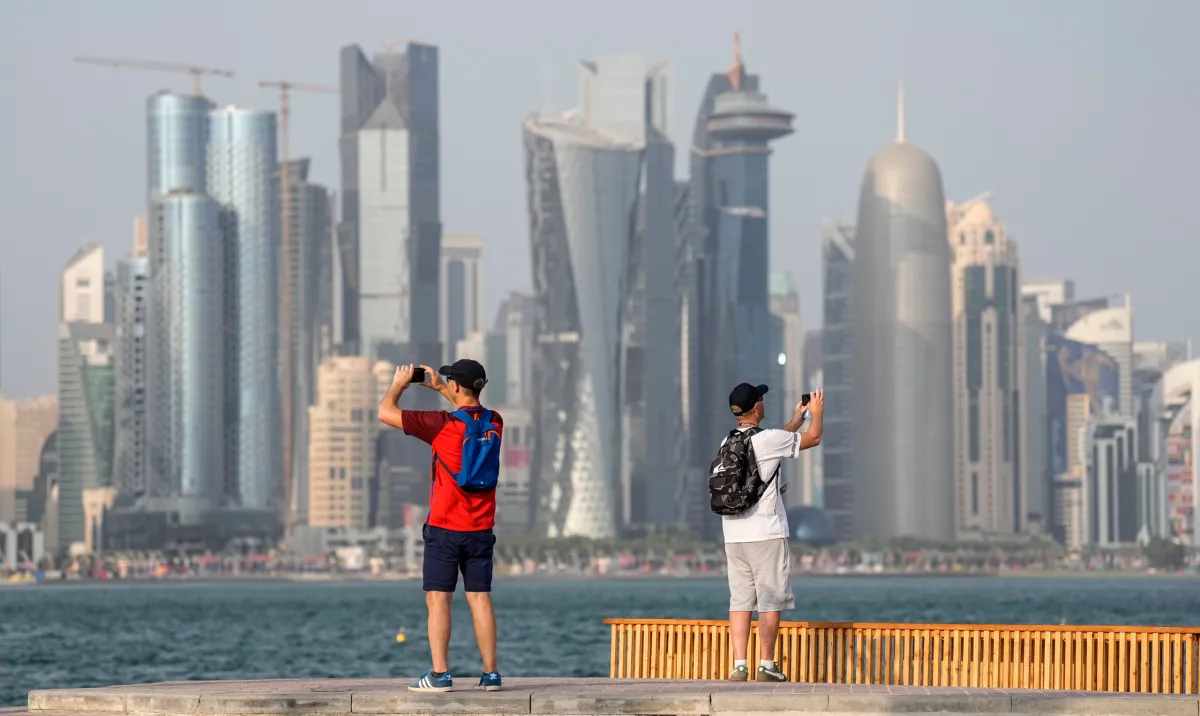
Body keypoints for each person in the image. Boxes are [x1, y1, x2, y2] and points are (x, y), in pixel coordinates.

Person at [377, 359, 504, 693]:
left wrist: (400, 383)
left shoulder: (439, 424)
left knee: (438, 600)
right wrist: (440, 387)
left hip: (446, 528)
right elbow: (470, 412)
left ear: (457, 386)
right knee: (480, 599)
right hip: (481, 529)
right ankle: (491, 674)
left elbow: (385, 412)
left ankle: (440, 674)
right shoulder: (496, 422)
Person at [720, 383, 824, 682]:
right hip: (765, 533)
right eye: (762, 399)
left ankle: (739, 665)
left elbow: (770, 444)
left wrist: (796, 419)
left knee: (740, 601)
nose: (764, 402)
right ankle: (767, 665)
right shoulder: (768, 440)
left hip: (734, 534)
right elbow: (813, 438)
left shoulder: (727, 443)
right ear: (756, 407)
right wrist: (815, 414)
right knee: (770, 600)